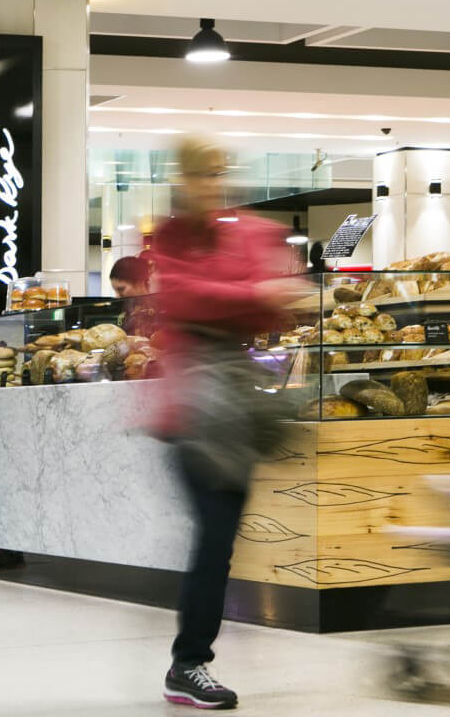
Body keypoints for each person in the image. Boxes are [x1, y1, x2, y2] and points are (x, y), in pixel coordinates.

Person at [149, 137, 298, 710]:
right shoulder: (170, 236)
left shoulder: (249, 231)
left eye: (219, 171)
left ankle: (188, 664)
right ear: (182, 179)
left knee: (219, 540)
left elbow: (267, 306)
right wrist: (255, 293)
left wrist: (256, 295)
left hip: (235, 405)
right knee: (212, 537)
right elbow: (187, 301)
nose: (214, 182)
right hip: (191, 408)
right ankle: (188, 665)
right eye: (202, 173)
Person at [110, 254, 159, 337]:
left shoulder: (160, 308)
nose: (117, 296)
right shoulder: (128, 307)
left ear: (139, 282)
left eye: (121, 289)